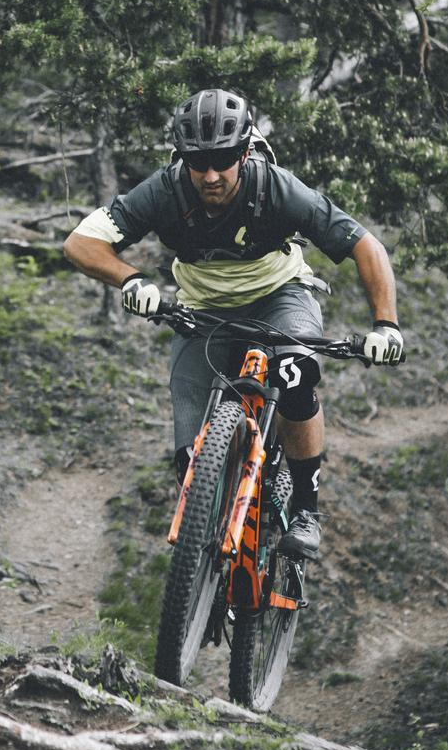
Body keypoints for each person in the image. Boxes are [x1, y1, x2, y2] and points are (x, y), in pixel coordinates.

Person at [62, 88, 403, 560]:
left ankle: (306, 507)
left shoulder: (276, 187)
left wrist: (386, 325)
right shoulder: (166, 190)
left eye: (224, 159)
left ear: (245, 151)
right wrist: (131, 279)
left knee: (295, 374)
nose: (211, 174)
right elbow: (81, 242)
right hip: (201, 313)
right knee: (191, 467)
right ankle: (208, 577)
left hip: (279, 298)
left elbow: (366, 247)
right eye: (197, 162)